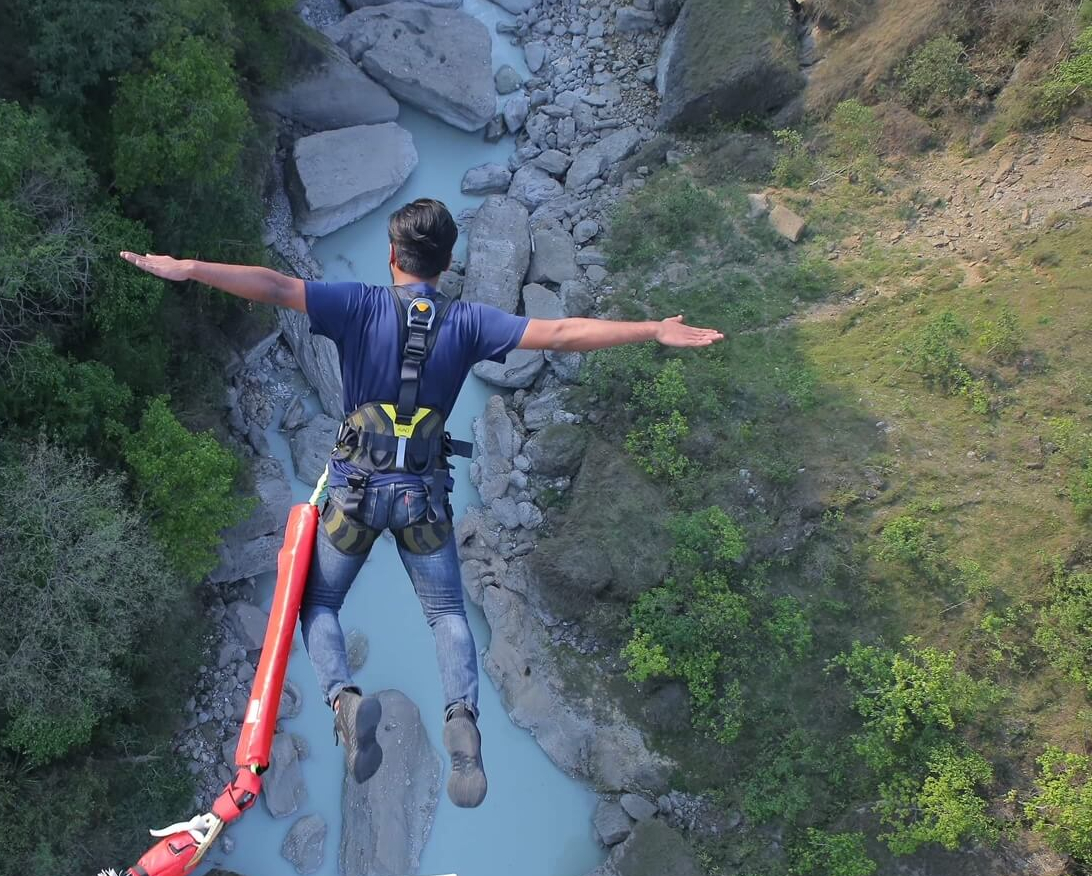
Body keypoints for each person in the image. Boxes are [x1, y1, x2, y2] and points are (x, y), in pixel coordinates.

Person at [121, 197, 723, 809]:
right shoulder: (467, 324)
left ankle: (343, 699)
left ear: (392, 255)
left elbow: (274, 286)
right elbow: (563, 333)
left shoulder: (356, 304)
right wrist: (652, 329)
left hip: (355, 495)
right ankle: (461, 717)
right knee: (446, 615)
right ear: (448, 262)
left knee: (320, 602)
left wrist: (191, 267)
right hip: (422, 501)